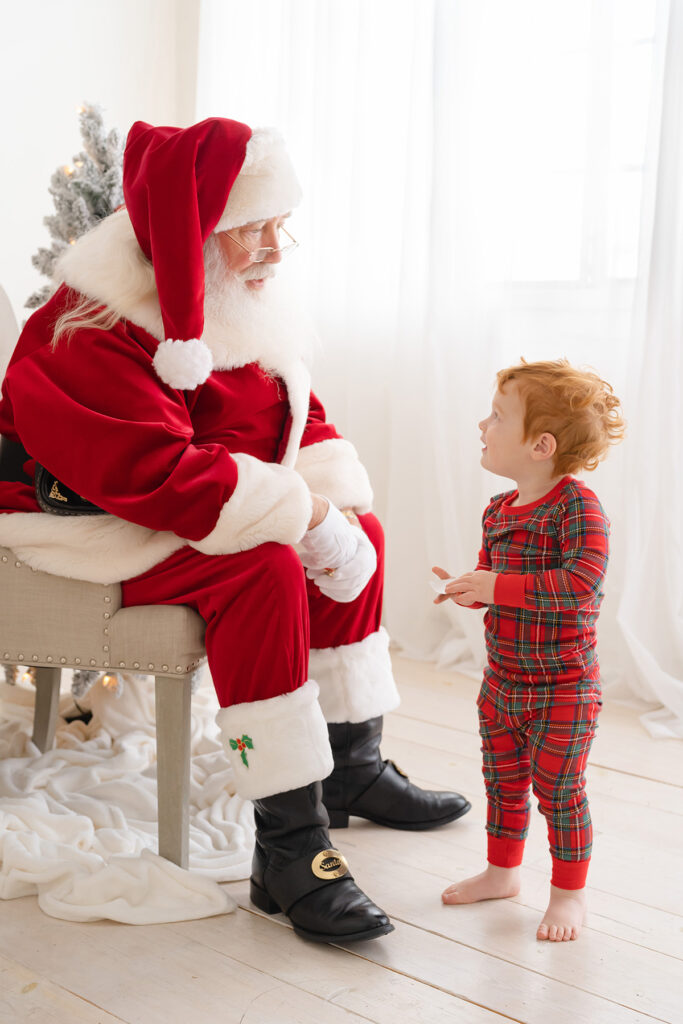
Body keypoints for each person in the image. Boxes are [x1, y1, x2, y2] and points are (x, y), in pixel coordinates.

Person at [0, 117, 470, 944]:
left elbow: (290, 415)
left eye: (279, 224)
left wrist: (330, 508)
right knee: (265, 569)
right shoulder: (90, 329)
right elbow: (148, 475)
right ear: (193, 233)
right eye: (253, 228)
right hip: (88, 523)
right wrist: (305, 519)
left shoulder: (224, 293)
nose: (275, 248)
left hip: (184, 499)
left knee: (360, 533)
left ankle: (350, 767)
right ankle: (288, 852)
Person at [432, 359, 624, 942]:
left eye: (497, 416)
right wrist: (473, 590)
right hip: (503, 681)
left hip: (564, 683)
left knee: (559, 789)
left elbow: (579, 586)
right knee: (503, 781)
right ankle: (502, 872)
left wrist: (496, 587)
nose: (482, 425)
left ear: (540, 445)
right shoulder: (498, 510)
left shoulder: (578, 508)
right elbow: (499, 584)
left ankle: (569, 894)